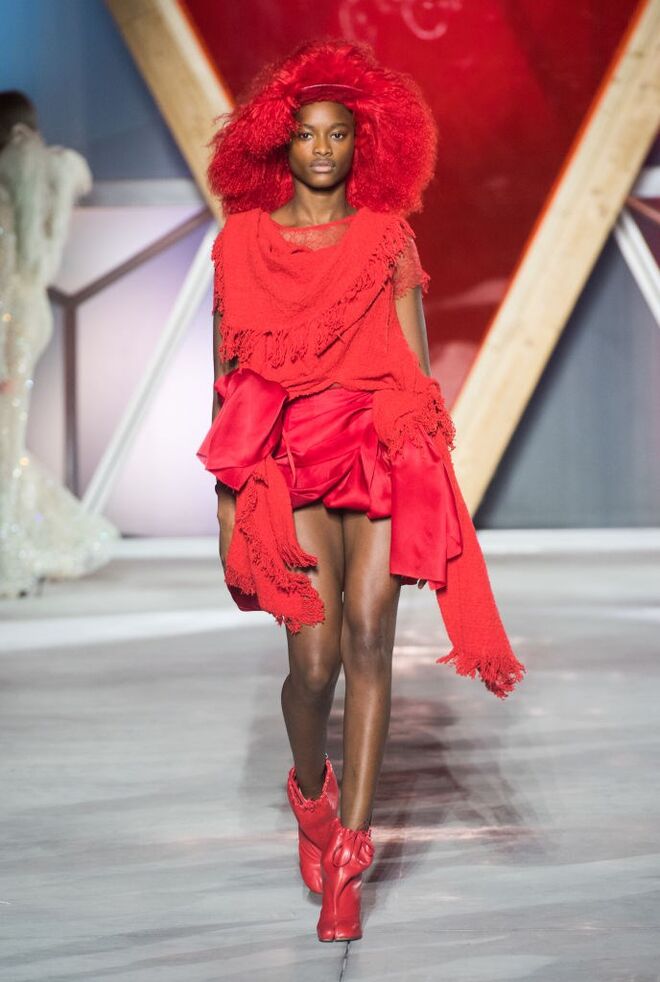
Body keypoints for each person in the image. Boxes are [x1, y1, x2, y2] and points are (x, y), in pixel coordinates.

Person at [196, 39, 526, 943]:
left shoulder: (386, 238)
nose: (322, 148)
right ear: (279, 140)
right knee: (313, 666)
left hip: (377, 452)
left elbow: (414, 373)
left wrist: (431, 485)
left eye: (338, 134)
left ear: (363, 144)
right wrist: (227, 508)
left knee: (372, 638)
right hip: (288, 459)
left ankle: (350, 849)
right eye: (307, 133)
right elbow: (226, 385)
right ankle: (311, 793)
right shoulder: (240, 244)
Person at [0, 91, 118, 599]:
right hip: (28, 315)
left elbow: (12, 268)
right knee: (8, 444)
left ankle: (14, 553)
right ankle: (28, 541)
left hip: (11, 322)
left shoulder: (14, 177)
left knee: (6, 447)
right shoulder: (51, 174)